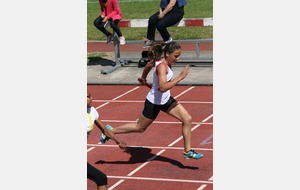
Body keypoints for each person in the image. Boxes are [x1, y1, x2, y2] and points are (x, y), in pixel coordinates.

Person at [100, 41, 203, 160]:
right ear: (167, 53)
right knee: (140, 128)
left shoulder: (158, 62)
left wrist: (143, 78)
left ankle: (188, 151)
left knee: (187, 119)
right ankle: (110, 131)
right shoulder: (161, 67)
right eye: (175, 56)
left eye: (179, 56)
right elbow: (163, 87)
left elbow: (149, 65)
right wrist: (180, 77)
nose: (177, 59)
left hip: (165, 100)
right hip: (154, 102)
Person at [87, 91, 126, 190]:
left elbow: (104, 130)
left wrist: (118, 141)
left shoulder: (92, 111)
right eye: (88, 96)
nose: (92, 99)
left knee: (101, 179)